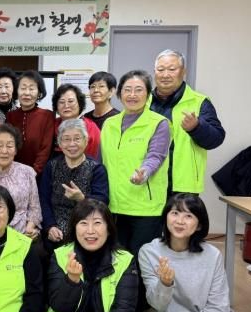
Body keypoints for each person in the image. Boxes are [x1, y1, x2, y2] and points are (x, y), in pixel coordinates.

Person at [100, 70, 171, 258]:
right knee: (117, 260)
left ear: (148, 95)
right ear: (119, 94)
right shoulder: (109, 124)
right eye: (127, 90)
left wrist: (144, 172)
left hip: (145, 207)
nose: (132, 95)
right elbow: (102, 160)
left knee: (142, 260)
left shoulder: (159, 123)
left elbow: (156, 156)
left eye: (139, 90)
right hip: (113, 205)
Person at [149, 49, 225, 194]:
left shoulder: (199, 102)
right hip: (147, 184)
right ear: (154, 72)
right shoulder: (144, 102)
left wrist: (197, 127)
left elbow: (216, 139)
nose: (165, 75)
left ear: (183, 71)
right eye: (160, 69)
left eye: (172, 69)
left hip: (182, 187)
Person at [39, 119, 109, 251]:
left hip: (87, 232)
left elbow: (103, 202)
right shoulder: (51, 166)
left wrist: (82, 198)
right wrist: (50, 226)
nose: (72, 144)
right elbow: (44, 200)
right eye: (66, 139)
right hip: (55, 232)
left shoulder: (96, 169)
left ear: (86, 141)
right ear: (60, 143)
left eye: (77, 139)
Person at [6, 70, 55, 175]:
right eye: (23, 88)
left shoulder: (47, 116)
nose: (27, 93)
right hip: (13, 173)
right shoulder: (10, 116)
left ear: (39, 93)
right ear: (17, 91)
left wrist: (34, 172)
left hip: (39, 174)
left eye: (31, 89)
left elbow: (45, 149)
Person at [52, 83, 101, 159]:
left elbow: (94, 157)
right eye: (61, 102)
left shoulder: (91, 127)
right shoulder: (52, 125)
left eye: (71, 101)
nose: (66, 105)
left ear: (79, 104)